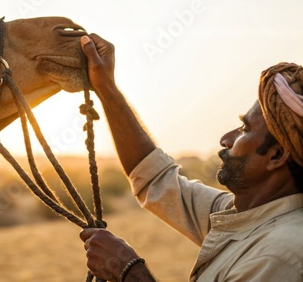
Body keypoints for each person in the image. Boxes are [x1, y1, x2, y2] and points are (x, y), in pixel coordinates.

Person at [78, 34, 303, 281]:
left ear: (277, 155)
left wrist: (129, 271)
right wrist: (106, 86)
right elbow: (154, 178)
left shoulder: (280, 255)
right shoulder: (242, 213)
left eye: (245, 129)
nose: (226, 139)